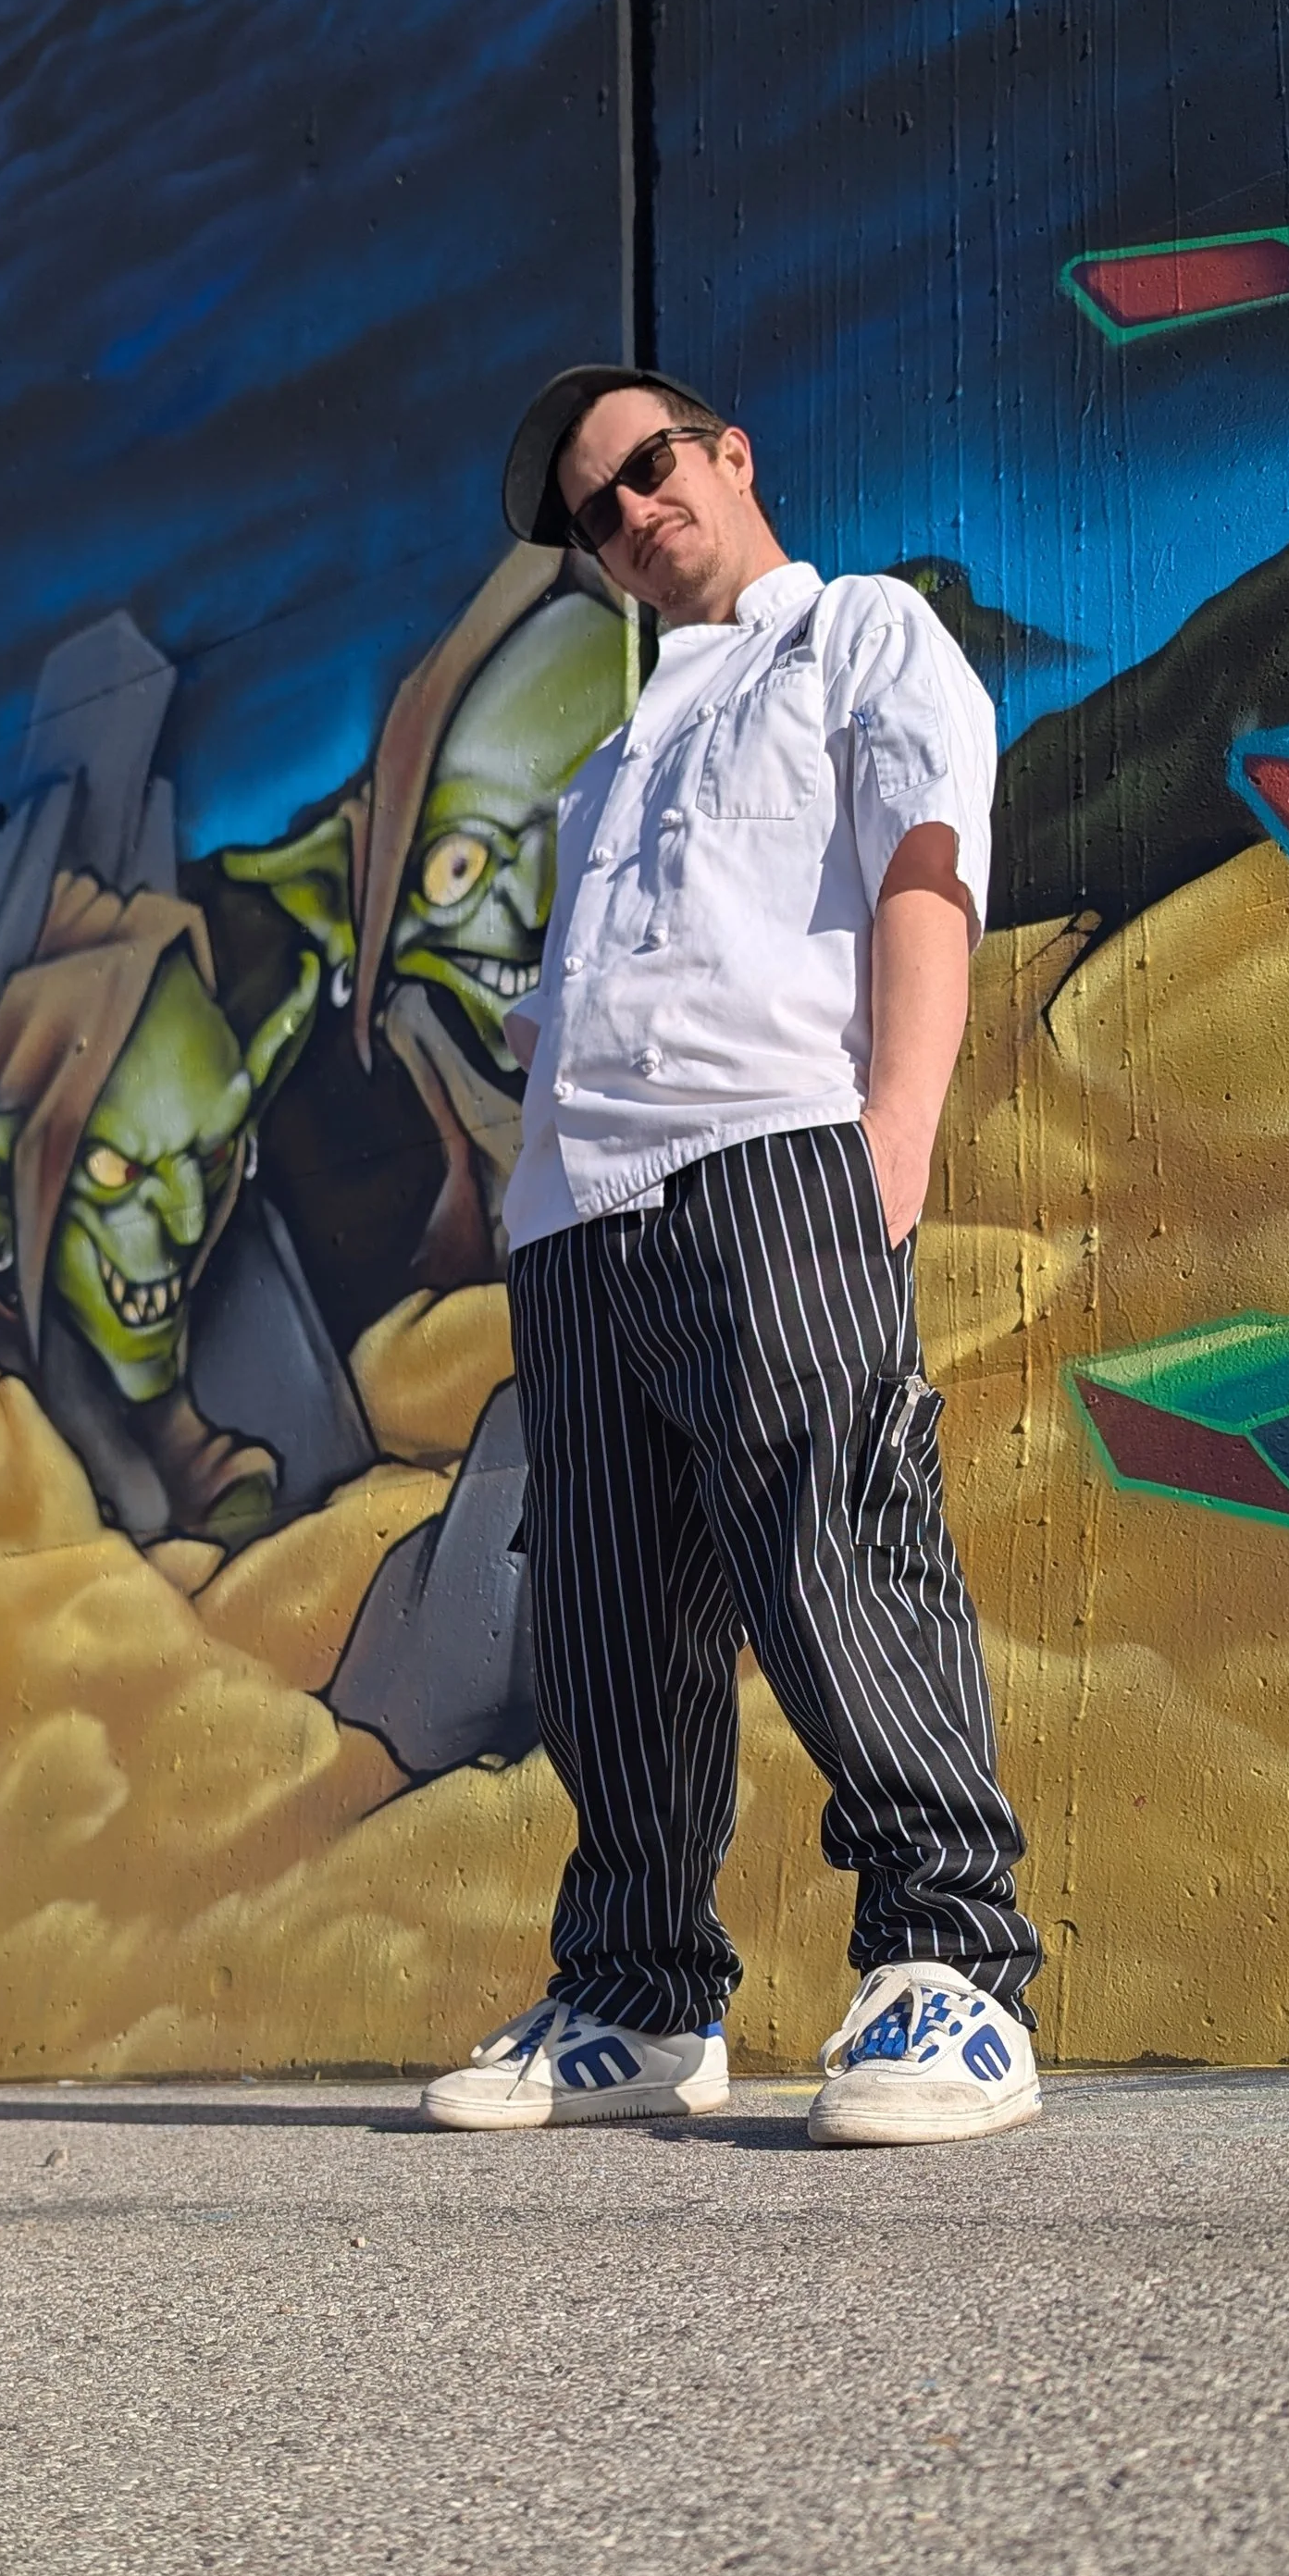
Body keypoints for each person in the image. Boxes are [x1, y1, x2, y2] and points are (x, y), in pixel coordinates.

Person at [422, 365, 1043, 2147]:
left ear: (733, 454)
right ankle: (640, 1998)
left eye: (648, 463)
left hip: (773, 1155)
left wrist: (895, 1135)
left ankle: (952, 1964)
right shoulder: (608, 764)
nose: (625, 508)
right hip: (581, 1220)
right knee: (612, 1619)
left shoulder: (861, 639)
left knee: (833, 1537)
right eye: (591, 507)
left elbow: (927, 867)